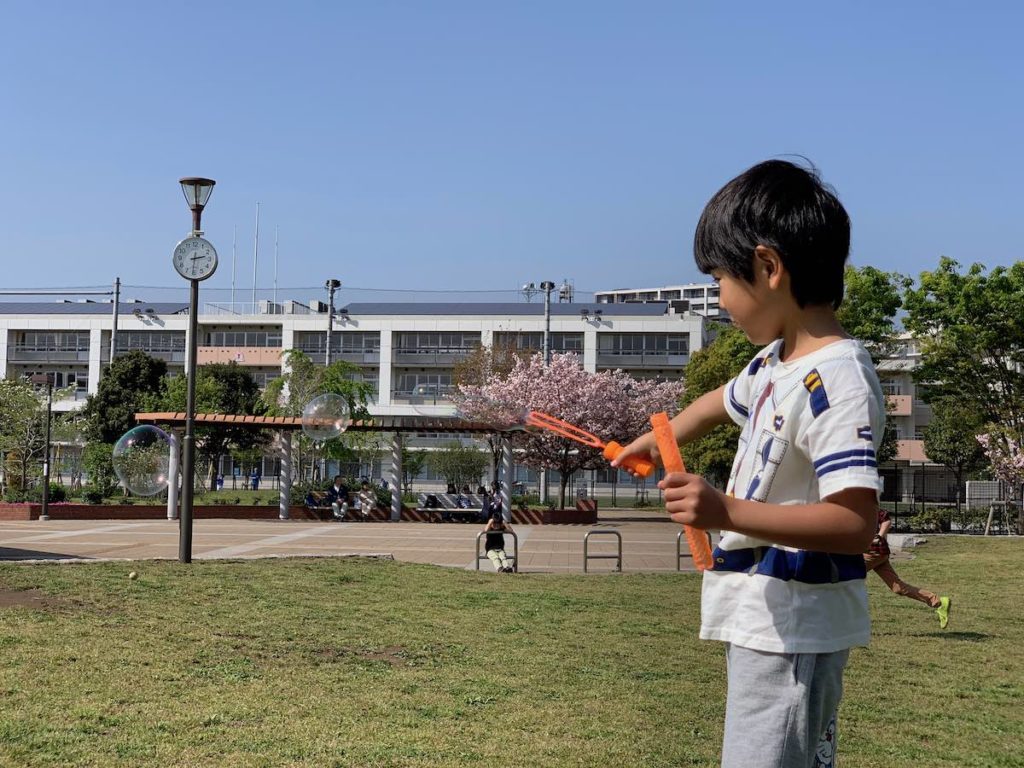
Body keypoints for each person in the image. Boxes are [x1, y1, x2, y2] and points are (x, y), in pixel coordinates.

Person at [613, 159, 883, 768]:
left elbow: (853, 523)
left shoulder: (835, 377)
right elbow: (717, 402)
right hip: (764, 616)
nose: (719, 300)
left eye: (718, 281)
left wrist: (724, 510)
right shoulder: (772, 364)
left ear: (767, 267)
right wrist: (657, 438)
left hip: (795, 624)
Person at [865, 507, 950, 627]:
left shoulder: (861, 504)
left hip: (872, 552)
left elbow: (885, 519)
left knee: (845, 578)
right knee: (898, 587)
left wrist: (879, 537)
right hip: (876, 553)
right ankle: (938, 602)